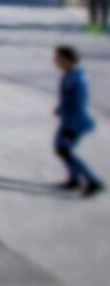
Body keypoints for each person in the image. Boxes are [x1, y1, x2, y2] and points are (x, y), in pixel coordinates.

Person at [53, 46, 102, 197]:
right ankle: (74, 179)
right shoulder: (69, 75)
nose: (55, 61)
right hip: (67, 119)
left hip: (76, 123)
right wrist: (61, 108)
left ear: (67, 60)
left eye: (58, 58)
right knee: (61, 149)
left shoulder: (77, 79)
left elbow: (79, 105)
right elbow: (68, 99)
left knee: (64, 150)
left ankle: (93, 181)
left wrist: (71, 127)